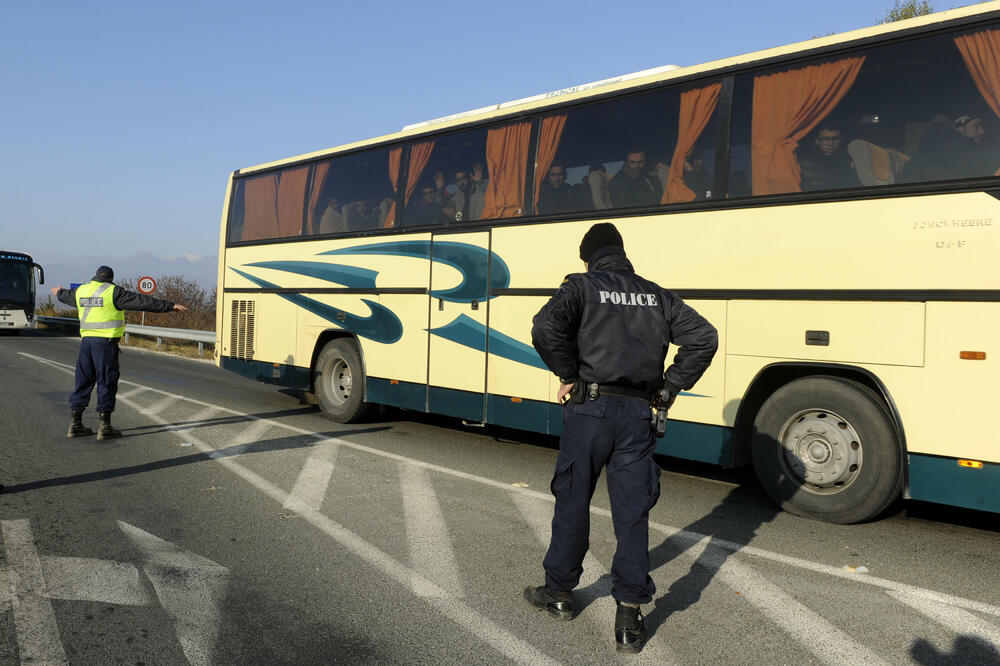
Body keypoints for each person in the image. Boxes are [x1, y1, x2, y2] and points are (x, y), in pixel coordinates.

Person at [524, 223, 718, 653]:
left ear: (589, 257)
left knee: (573, 499)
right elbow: (704, 337)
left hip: (589, 409)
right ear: (623, 254)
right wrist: (669, 387)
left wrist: (570, 374)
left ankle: (559, 595)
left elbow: (544, 328)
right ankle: (629, 615)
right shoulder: (655, 294)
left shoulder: (581, 286)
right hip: (637, 413)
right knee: (632, 512)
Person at [53, 266, 187, 440]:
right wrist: (169, 306)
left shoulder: (82, 291)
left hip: (86, 344)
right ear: (110, 278)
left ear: (95, 277)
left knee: (83, 381)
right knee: (106, 381)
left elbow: (65, 296)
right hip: (105, 344)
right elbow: (141, 301)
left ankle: (75, 424)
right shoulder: (113, 292)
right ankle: (105, 426)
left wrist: (58, 292)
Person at [900, 114, 993, 183]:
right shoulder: (940, 138)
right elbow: (968, 162)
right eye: (976, 126)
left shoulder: (960, 146)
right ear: (960, 126)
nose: (982, 131)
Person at [797, 125, 860, 191]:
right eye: (825, 139)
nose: (831, 143)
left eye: (836, 139)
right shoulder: (806, 160)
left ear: (841, 140)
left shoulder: (846, 158)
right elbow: (822, 182)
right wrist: (848, 167)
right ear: (817, 141)